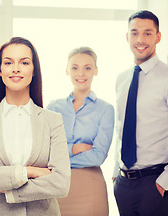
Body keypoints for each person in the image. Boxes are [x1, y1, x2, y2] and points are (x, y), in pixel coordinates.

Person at [0, 37, 71, 216]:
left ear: (34, 70)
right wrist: (30, 172)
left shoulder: (53, 121)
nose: (16, 68)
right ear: (0, 70)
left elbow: (61, 183)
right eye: (8, 62)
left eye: (24, 62)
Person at [113, 10, 168, 216]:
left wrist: (164, 182)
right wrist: (116, 173)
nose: (140, 39)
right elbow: (122, 129)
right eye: (134, 33)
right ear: (127, 37)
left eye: (148, 33)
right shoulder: (122, 79)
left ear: (158, 37)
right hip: (124, 185)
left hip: (155, 183)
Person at [47, 47, 114, 216]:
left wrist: (59, 157)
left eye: (88, 67)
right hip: (56, 187)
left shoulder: (105, 109)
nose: (81, 73)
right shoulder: (53, 108)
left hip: (90, 186)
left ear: (96, 71)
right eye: (75, 67)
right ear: (67, 70)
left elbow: (98, 156)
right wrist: (75, 148)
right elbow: (45, 151)